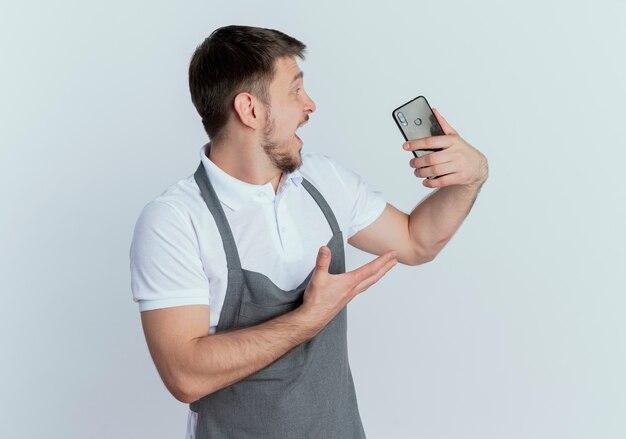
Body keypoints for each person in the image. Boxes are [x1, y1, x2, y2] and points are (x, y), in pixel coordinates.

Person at [130, 24, 488, 439]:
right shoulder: (175, 220)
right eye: (295, 91)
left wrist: (471, 179)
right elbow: (184, 375)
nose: (310, 105)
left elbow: (417, 241)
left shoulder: (322, 180)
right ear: (250, 109)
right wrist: (309, 318)